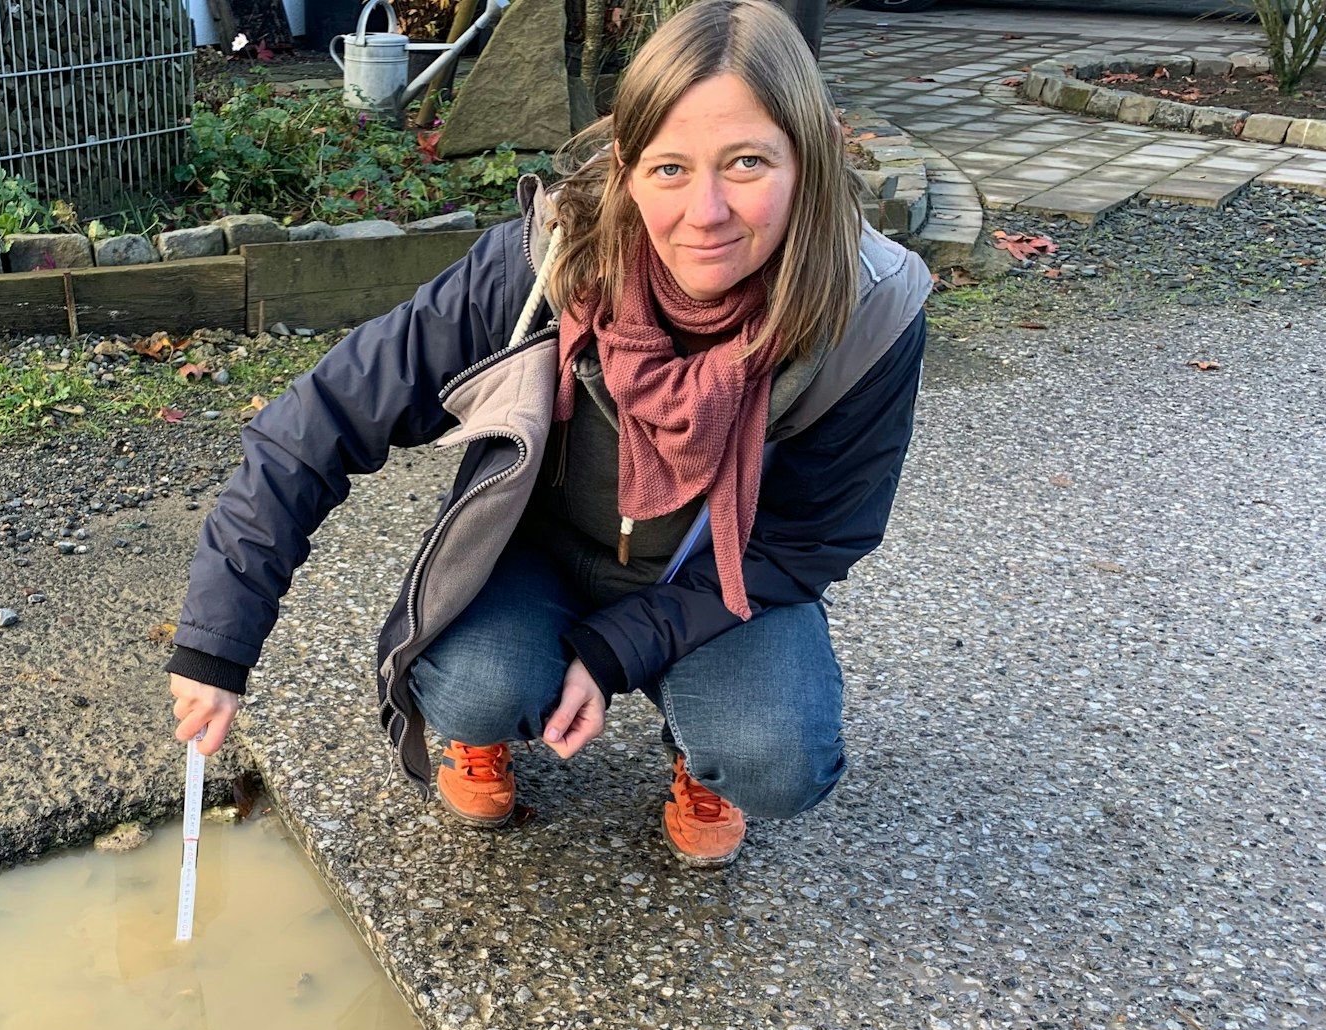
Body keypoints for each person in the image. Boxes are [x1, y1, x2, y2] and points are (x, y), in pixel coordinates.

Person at [165, 0, 929, 870]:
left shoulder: (871, 310)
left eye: (747, 162)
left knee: (775, 756)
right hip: (543, 553)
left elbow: (811, 540)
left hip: (725, 574)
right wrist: (217, 642)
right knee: (471, 683)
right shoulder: (541, 263)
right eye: (670, 167)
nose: (706, 211)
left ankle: (707, 756)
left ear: (807, 158)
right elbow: (318, 423)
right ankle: (482, 725)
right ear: (626, 165)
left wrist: (614, 652)